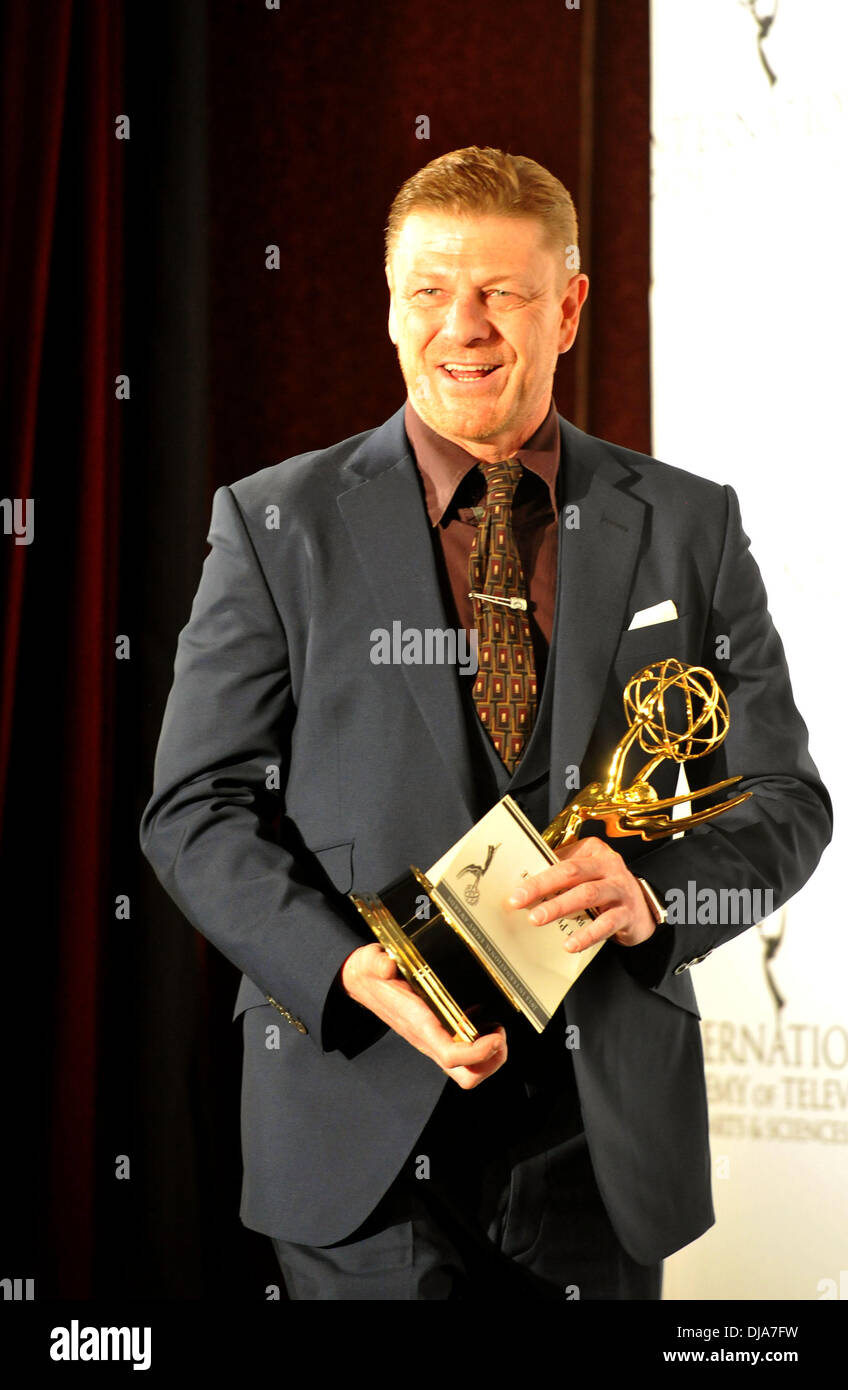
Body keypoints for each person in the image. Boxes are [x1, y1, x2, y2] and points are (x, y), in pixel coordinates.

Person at [139, 146, 831, 1300]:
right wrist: (348, 968)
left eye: (501, 293)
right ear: (391, 309)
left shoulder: (688, 526)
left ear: (565, 309)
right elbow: (193, 812)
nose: (463, 326)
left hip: (595, 1139)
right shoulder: (272, 523)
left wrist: (656, 891)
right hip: (360, 1120)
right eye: (428, 291)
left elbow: (785, 801)